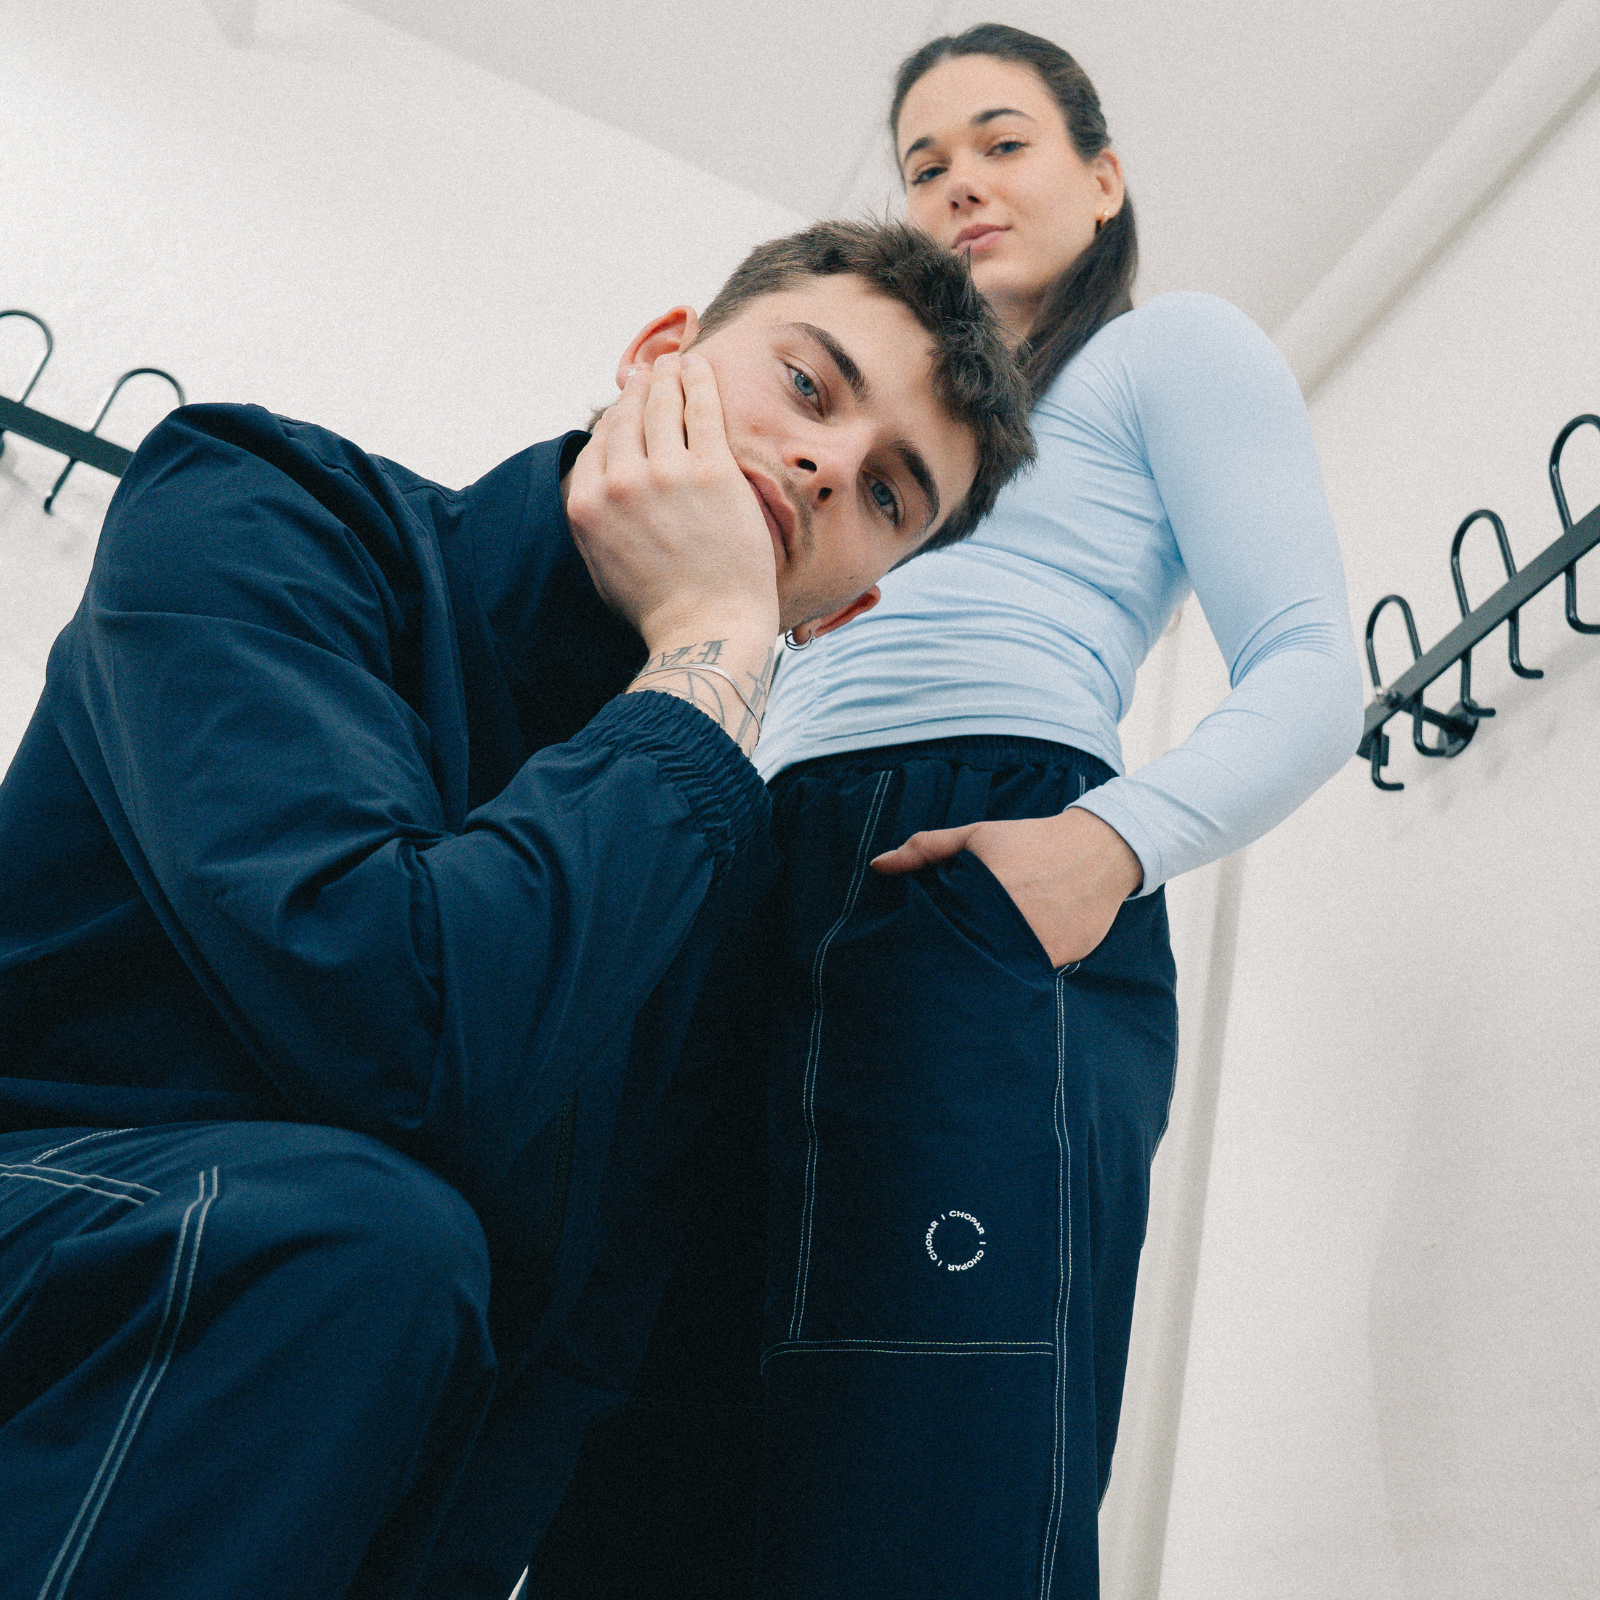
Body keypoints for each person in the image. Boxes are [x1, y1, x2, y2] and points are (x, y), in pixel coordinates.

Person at [0, 219, 1032, 1600]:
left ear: (844, 613)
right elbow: (395, 1022)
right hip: (52, 1223)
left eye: (891, 495)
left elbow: (564, 1350)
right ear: (657, 357)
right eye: (807, 385)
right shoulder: (260, 507)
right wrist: (710, 646)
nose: (828, 467)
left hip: (294, 1414)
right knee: (378, 1240)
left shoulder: (714, 873)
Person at [526, 24, 1365, 1600]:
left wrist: (1103, 849)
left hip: (988, 844)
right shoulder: (884, 432)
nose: (959, 183)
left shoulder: (1171, 353)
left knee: (937, 1445)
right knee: (654, 1409)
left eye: (1001, 141)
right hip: (750, 848)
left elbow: (1319, 671)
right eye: (924, 164)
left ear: (1103, 178)